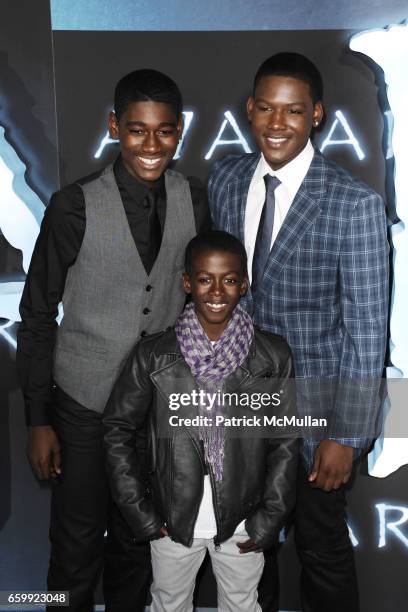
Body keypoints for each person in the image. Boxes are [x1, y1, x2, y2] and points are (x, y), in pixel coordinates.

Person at [17, 68, 211, 612]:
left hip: (157, 411)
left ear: (180, 131)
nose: (152, 144)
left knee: (138, 544)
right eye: (137, 130)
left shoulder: (194, 199)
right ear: (113, 127)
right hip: (82, 405)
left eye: (165, 131)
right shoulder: (73, 206)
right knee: (76, 549)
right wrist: (38, 419)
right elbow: (36, 314)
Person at [208, 53, 389, 612]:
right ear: (249, 110)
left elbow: (367, 328)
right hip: (240, 411)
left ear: (316, 115)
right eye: (265, 108)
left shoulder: (354, 204)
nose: (277, 123)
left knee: (322, 548)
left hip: (317, 415)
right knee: (246, 552)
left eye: (292, 110)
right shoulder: (227, 179)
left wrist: (349, 436)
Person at [103, 230, 298, 612]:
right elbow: (118, 431)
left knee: (242, 605)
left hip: (243, 520)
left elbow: (286, 440)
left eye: (228, 280)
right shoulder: (154, 355)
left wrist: (268, 518)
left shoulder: (272, 355)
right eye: (205, 279)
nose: (216, 291)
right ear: (187, 283)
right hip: (172, 522)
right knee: (168, 604)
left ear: (244, 284)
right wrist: (142, 515)